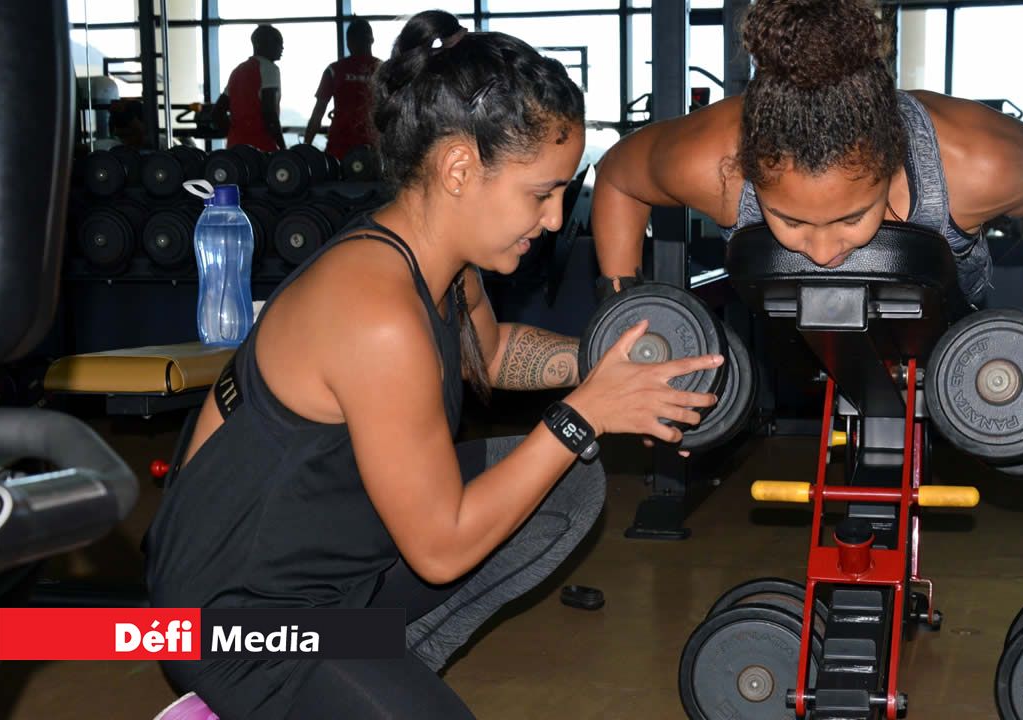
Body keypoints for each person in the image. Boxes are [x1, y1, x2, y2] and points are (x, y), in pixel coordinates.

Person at [145, 10, 721, 720]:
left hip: (334, 575)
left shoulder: (443, 266)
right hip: (241, 623)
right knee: (551, 463)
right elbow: (443, 551)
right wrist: (583, 415)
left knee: (568, 490)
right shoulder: (375, 311)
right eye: (540, 193)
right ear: (457, 168)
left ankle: (373, 673)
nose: (552, 219)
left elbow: (493, 351)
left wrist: (608, 367)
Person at [593, 0, 1023, 329]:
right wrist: (627, 321)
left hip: (943, 327)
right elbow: (618, 175)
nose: (821, 251)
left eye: (849, 217)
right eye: (790, 220)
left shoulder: (974, 163)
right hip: (790, 336)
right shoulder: (716, 163)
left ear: (892, 161)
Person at [303, 19, 382, 159]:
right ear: (372, 39)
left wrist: (305, 148)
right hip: (373, 149)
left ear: (348, 42)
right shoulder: (383, 70)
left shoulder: (334, 70)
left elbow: (318, 112)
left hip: (340, 147)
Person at [212, 24, 286, 152]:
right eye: (277, 42)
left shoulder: (238, 70)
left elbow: (217, 112)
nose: (282, 48)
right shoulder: (270, 69)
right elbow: (269, 113)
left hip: (235, 148)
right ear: (260, 44)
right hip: (261, 148)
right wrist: (283, 148)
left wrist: (234, 132)